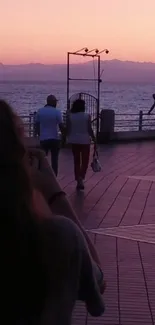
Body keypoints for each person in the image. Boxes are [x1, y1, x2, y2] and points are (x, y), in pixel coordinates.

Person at [0, 99, 105, 324]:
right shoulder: (57, 236)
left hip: (59, 140)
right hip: (67, 142)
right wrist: (54, 193)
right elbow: (97, 291)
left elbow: (46, 126)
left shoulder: (44, 113)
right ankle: (73, 177)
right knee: (69, 160)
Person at [66, 99, 96, 190]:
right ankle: (81, 177)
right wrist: (94, 138)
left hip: (74, 140)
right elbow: (89, 129)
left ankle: (78, 179)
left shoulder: (70, 116)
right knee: (85, 160)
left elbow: (68, 130)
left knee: (76, 160)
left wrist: (65, 139)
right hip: (85, 140)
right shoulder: (87, 116)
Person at [35, 94, 64, 176]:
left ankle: (42, 176)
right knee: (55, 160)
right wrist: (64, 136)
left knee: (43, 159)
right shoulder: (57, 112)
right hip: (55, 138)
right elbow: (61, 126)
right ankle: (54, 177)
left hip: (43, 139)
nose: (56, 103)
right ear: (53, 102)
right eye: (55, 102)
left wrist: (39, 134)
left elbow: (36, 125)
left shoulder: (40, 111)